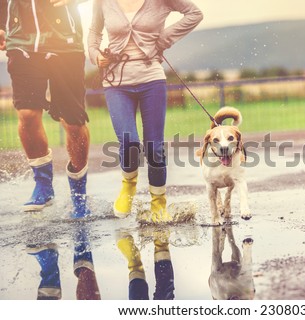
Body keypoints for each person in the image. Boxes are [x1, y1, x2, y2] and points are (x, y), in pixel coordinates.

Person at [88, 0, 203, 223]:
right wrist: (95, 54)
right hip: (116, 83)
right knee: (129, 142)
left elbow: (194, 13)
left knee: (154, 148)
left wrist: (164, 39)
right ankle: (128, 185)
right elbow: (94, 32)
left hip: (152, 79)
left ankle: (158, 202)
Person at [0, 0, 90, 218]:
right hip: (22, 43)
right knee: (27, 114)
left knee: (73, 123)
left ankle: (79, 194)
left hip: (65, 44)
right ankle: (43, 185)